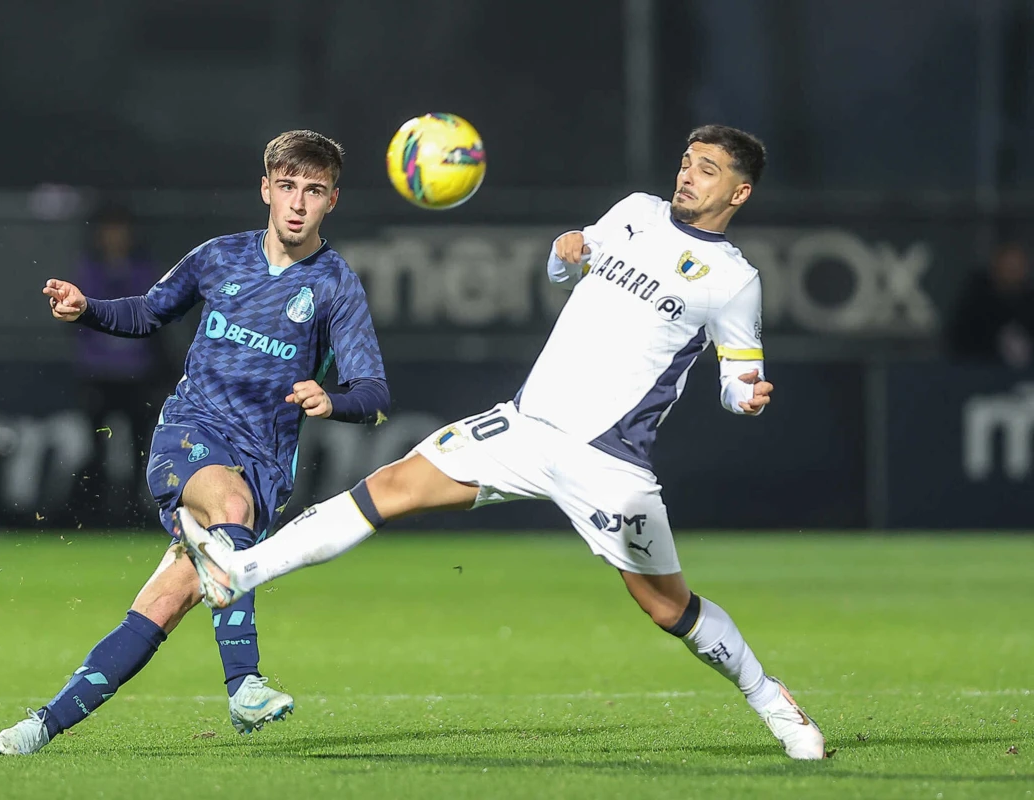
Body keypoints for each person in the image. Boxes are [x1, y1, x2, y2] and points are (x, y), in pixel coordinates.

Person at [179, 125, 829, 761]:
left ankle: (771, 698)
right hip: (522, 425)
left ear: (738, 194)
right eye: (688, 160)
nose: (688, 174)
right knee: (392, 486)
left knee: (666, 607)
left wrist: (745, 396)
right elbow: (564, 269)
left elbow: (738, 380)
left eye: (708, 169)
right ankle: (241, 570)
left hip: (606, 463)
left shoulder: (733, 280)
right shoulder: (637, 213)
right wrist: (564, 252)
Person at [0, 130, 390, 755]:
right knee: (228, 509)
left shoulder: (336, 286)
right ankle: (245, 684)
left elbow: (373, 393)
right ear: (265, 188)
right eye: (287, 187)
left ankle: (41, 725)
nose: (297, 203)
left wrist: (331, 400)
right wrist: (86, 307)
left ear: (332, 201)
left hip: (263, 467)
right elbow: (151, 312)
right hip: (191, 434)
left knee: (164, 604)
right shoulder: (218, 257)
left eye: (313, 192)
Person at [72, 201, 168, 526]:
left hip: (136, 374)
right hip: (98, 374)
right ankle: (95, 509)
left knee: (140, 446)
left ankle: (133, 509)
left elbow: (155, 315)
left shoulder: (143, 271)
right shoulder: (88, 270)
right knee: (96, 446)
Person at [947, 242, 1034, 368]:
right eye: (1008, 266)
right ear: (996, 267)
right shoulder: (976, 301)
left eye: (1018, 266)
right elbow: (959, 343)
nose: (1013, 271)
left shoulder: (1030, 301)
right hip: (981, 373)